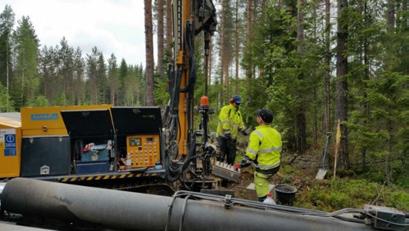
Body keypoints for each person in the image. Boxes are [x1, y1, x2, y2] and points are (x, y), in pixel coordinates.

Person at [242, 109, 282, 202]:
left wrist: (242, 162)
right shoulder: (276, 133)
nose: (257, 117)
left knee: (261, 189)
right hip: (276, 166)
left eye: (258, 116)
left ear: (261, 120)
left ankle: (264, 202)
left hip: (264, 169)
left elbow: (250, 156)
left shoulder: (256, 134)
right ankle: (268, 193)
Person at [216, 96, 245, 164]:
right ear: (232, 102)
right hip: (223, 136)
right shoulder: (226, 109)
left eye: (239, 104)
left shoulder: (238, 113)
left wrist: (243, 129)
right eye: (237, 103)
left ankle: (229, 171)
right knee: (221, 154)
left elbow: (240, 123)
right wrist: (227, 131)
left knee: (231, 156)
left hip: (232, 138)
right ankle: (218, 170)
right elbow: (224, 120)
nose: (238, 105)